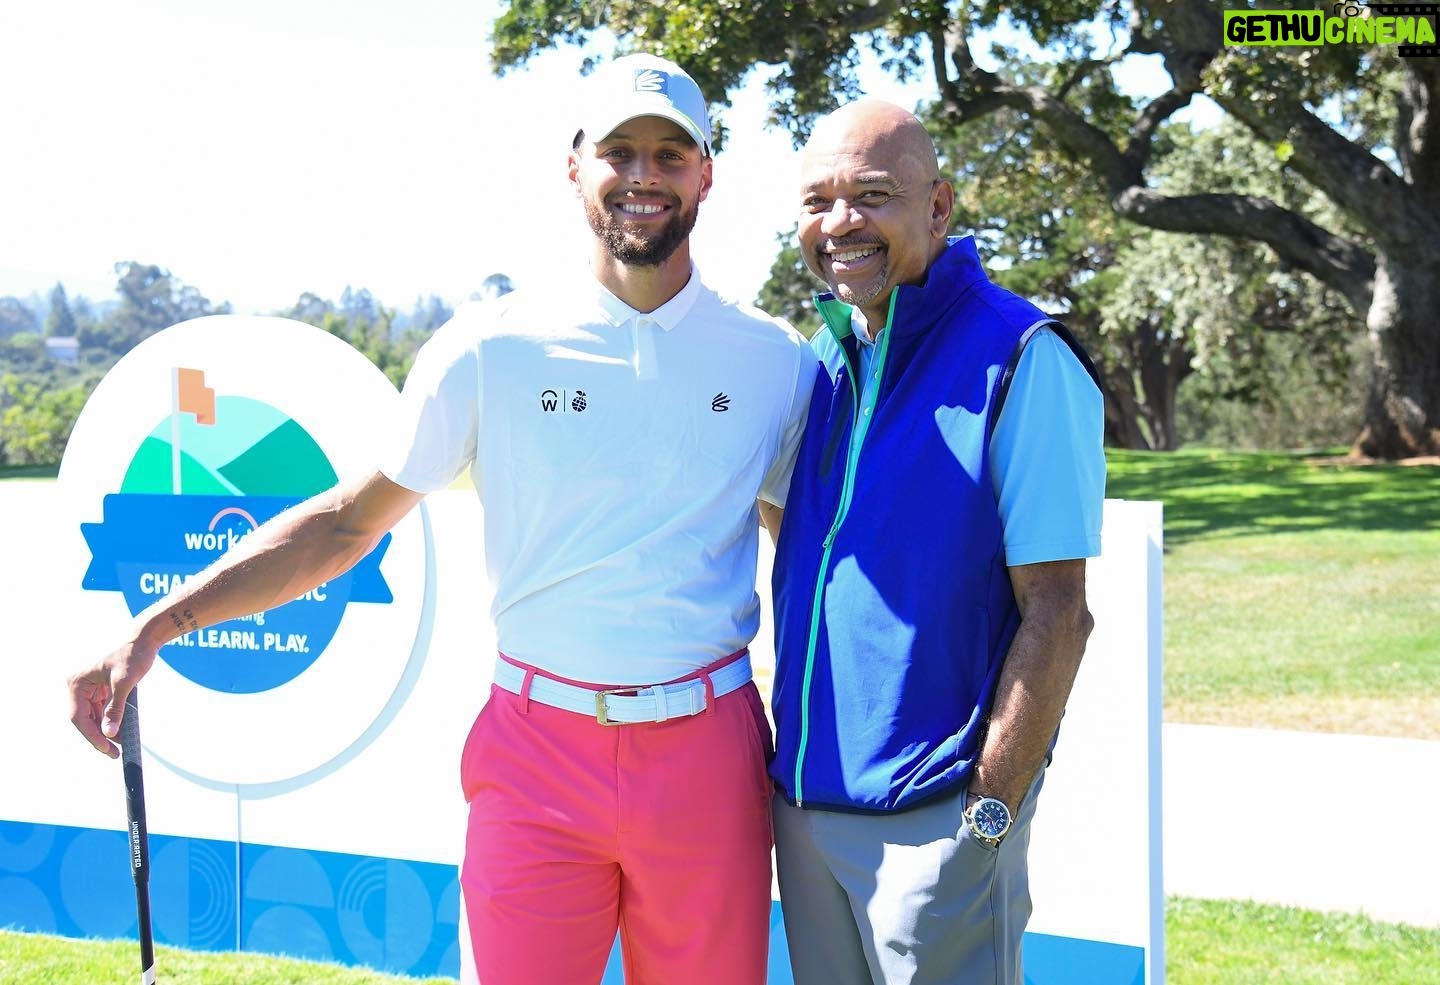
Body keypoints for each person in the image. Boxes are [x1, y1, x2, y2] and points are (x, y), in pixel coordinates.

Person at [68, 53, 815, 985]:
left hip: (707, 756)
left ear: (706, 174)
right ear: (574, 166)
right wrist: (158, 623)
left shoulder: (775, 360)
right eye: (619, 150)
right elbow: (345, 525)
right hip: (537, 755)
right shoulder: (490, 346)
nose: (643, 174)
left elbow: (813, 568)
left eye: (671, 153)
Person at [767, 99, 1106, 985]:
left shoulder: (1023, 355)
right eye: (817, 201)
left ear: (940, 207)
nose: (841, 222)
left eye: (872, 194)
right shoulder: (819, 364)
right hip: (803, 814)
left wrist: (987, 814)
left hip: (939, 821)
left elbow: (1059, 612)